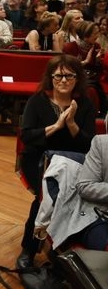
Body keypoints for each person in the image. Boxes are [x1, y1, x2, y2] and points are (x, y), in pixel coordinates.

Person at [17, 54, 95, 268]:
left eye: (69, 76)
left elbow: (88, 145)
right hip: (38, 160)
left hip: (73, 161)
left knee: (73, 197)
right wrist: (56, 126)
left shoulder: (84, 104)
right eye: (58, 76)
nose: (63, 80)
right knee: (45, 197)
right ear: (50, 78)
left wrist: (71, 124)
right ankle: (29, 249)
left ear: (77, 78)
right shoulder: (37, 101)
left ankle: (61, 249)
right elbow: (27, 136)